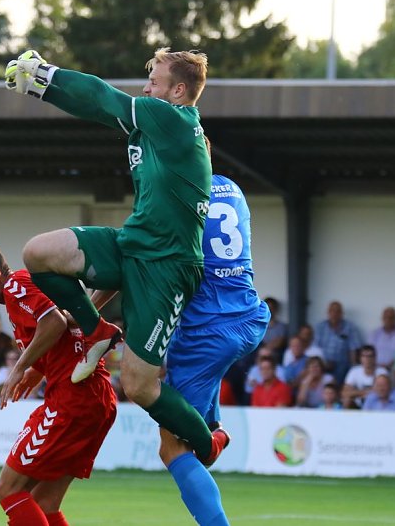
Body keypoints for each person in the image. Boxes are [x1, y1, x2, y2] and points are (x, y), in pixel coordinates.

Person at [5, 48, 225, 466]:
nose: (145, 88)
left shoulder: (175, 119)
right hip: (133, 243)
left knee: (140, 386)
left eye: (154, 82)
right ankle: (98, 331)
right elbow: (96, 106)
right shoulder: (154, 126)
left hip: (168, 267)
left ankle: (208, 441)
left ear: (178, 91)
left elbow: (104, 96)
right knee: (39, 253)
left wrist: (46, 74)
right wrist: (41, 91)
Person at [0, 240, 117, 526]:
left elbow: (54, 323)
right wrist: (39, 370)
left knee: (8, 489)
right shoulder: (29, 290)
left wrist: (19, 367)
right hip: (96, 398)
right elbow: (63, 329)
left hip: (72, 400)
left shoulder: (16, 287)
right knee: (44, 502)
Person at [161, 172, 269, 525]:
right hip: (248, 314)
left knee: (172, 446)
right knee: (199, 444)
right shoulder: (231, 186)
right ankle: (215, 432)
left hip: (207, 331)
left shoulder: (179, 192)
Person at [314, 301, 363, 383]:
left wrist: (353, 368)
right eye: (332, 311)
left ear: (342, 313)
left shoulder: (350, 327)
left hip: (342, 363)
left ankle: (337, 390)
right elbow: (316, 349)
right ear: (328, 313)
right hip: (324, 362)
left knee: (343, 367)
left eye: (338, 311)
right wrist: (323, 363)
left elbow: (353, 349)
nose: (335, 314)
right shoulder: (320, 327)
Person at [341, 345, 387, 409]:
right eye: (364, 356)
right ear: (360, 358)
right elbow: (345, 393)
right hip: (358, 405)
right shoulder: (354, 371)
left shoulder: (382, 371)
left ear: (375, 358)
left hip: (376, 404)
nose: (367, 359)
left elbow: (383, 391)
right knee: (347, 401)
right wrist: (364, 392)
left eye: (370, 356)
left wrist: (356, 392)